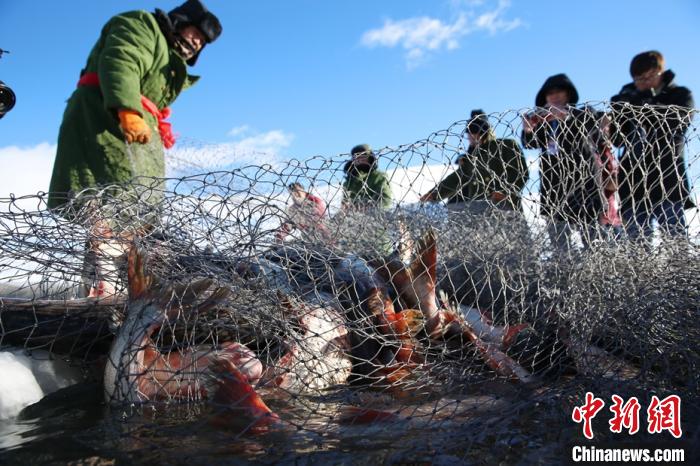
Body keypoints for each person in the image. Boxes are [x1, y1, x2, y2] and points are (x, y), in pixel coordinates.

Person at [47, 0, 223, 210]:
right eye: (195, 34)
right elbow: (123, 60)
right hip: (103, 120)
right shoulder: (143, 25)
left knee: (138, 208)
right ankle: (105, 238)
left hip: (140, 134)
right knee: (102, 201)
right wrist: (128, 109)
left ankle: (132, 238)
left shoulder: (170, 60)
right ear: (181, 22)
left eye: (202, 42)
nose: (197, 43)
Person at [609, 51, 695, 242]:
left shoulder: (680, 95)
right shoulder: (626, 98)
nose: (644, 82)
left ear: (660, 72)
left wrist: (640, 107)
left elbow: (675, 124)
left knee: (676, 242)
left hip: (667, 180)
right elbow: (616, 138)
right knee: (637, 246)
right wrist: (620, 111)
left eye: (649, 76)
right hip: (632, 183)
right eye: (639, 78)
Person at [521, 74, 604, 251]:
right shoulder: (543, 123)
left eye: (559, 91)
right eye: (550, 93)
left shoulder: (584, 113)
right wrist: (529, 129)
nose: (554, 96)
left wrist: (564, 118)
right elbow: (530, 144)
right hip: (554, 187)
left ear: (568, 93)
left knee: (594, 243)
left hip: (584, 185)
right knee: (561, 246)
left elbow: (590, 130)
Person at [421, 110, 528, 214]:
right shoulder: (472, 159)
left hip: (507, 210)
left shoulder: (506, 146)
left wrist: (504, 191)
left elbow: (520, 172)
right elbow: (456, 179)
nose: (470, 136)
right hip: (479, 215)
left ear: (485, 131)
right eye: (469, 132)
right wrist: (434, 194)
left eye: (474, 131)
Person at [341, 144, 393, 211]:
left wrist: (369, 209)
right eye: (357, 157)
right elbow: (345, 204)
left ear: (370, 157)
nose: (360, 159)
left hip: (375, 215)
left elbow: (385, 200)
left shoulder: (379, 177)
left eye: (363, 156)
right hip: (353, 217)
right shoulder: (349, 182)